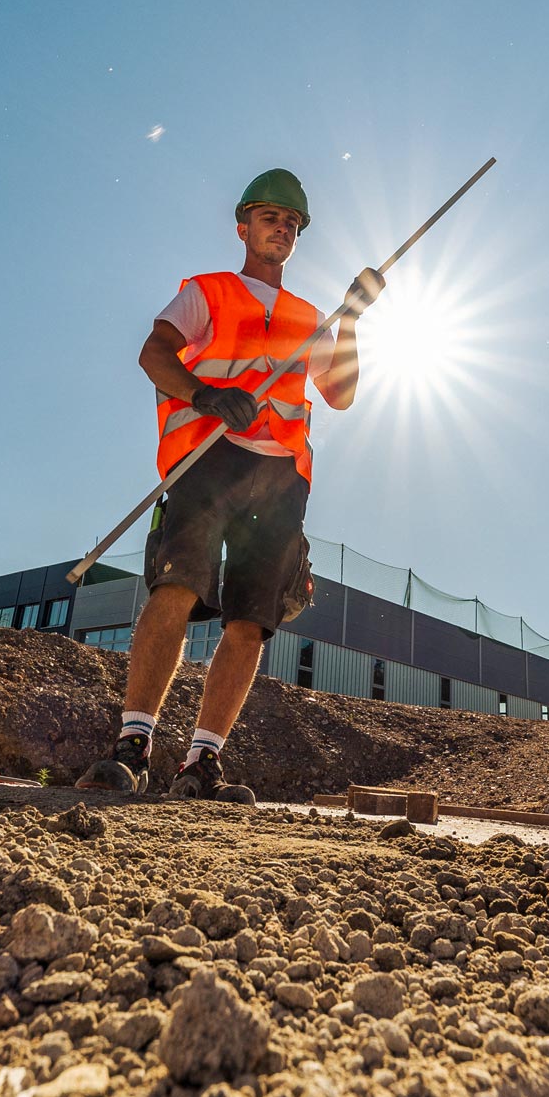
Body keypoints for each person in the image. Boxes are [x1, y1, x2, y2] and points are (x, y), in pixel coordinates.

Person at [76, 168, 383, 801]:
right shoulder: (207, 293)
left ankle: (203, 762)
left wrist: (350, 319)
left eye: (292, 223)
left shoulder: (306, 318)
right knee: (177, 587)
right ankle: (133, 745)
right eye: (271, 217)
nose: (283, 228)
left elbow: (342, 393)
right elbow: (154, 354)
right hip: (208, 458)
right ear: (243, 225)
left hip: (279, 475)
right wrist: (206, 394)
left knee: (252, 617)